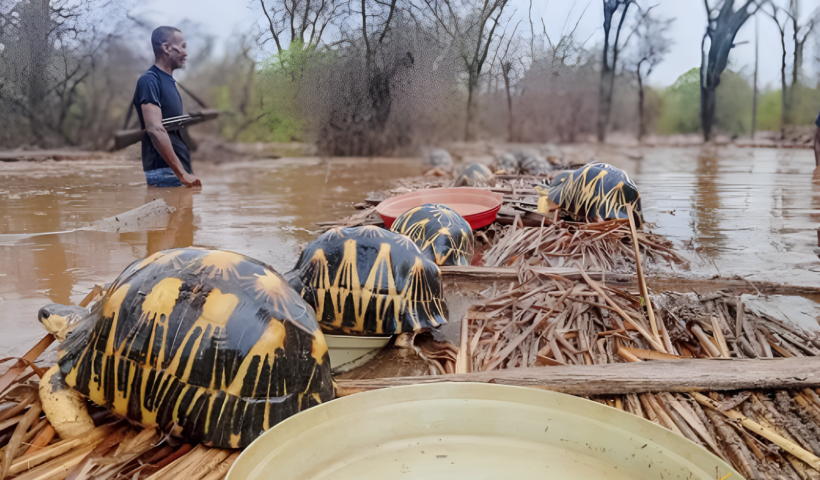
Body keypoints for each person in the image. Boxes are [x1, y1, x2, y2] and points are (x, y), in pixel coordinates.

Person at [133, 26, 201, 188]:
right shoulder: (150, 80)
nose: (186, 53)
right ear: (166, 48)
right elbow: (155, 129)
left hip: (174, 173)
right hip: (165, 173)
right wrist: (182, 173)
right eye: (182, 47)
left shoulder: (169, 81)